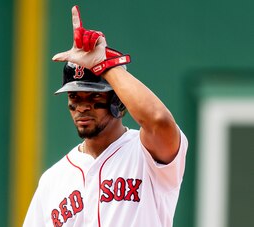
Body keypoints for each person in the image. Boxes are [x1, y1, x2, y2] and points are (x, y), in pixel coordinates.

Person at [23, 5, 188, 227]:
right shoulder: (53, 181)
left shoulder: (146, 154)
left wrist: (106, 67)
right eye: (75, 97)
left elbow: (158, 120)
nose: (82, 107)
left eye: (92, 97)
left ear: (118, 100)